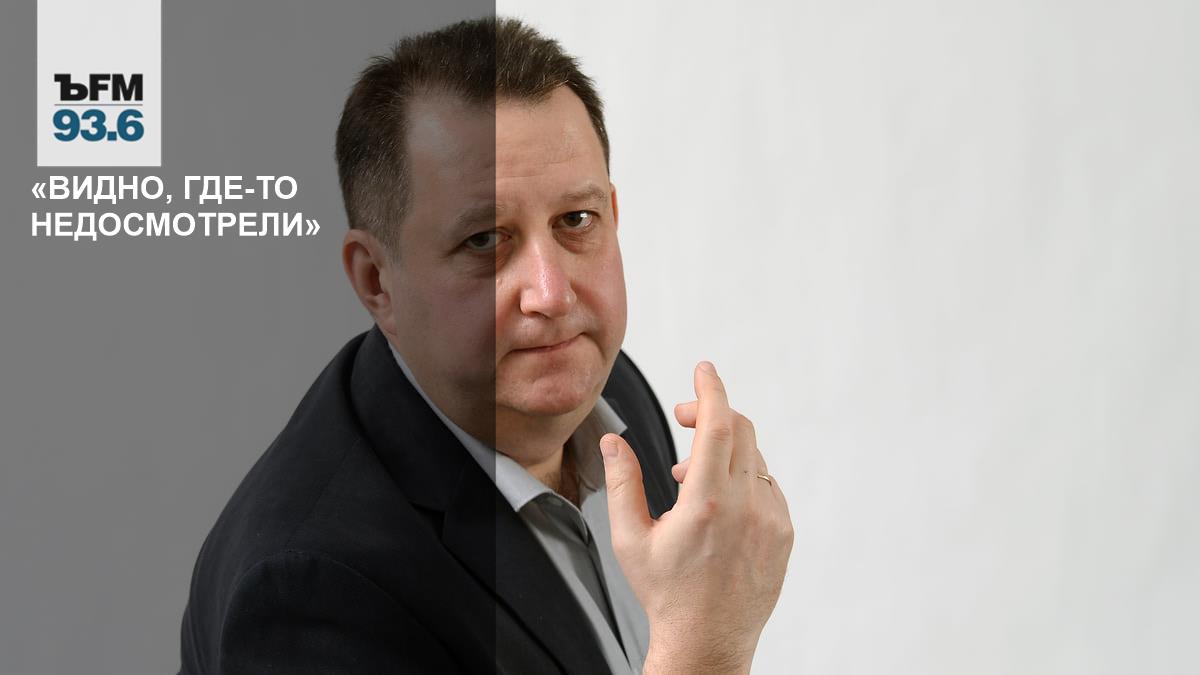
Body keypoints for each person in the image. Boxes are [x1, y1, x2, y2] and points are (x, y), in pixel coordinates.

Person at [178, 16, 792, 674]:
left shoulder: (604, 387)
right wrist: (707, 651)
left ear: (612, 216)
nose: (552, 296)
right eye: (485, 240)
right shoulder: (311, 590)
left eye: (576, 220)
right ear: (376, 280)